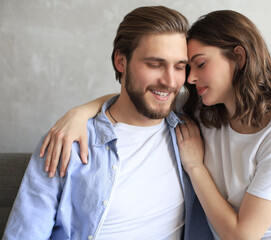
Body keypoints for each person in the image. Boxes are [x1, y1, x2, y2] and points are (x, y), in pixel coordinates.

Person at [3, 6, 213, 239]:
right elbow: (25, 233)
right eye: (154, 65)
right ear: (121, 61)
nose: (170, 81)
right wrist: (81, 113)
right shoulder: (68, 141)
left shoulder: (196, 126)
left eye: (180, 66)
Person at [174, 10, 271, 239]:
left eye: (201, 64)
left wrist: (195, 166)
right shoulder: (199, 111)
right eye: (189, 68)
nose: (190, 78)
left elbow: (242, 236)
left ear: (239, 57)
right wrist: (101, 104)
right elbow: (144, 99)